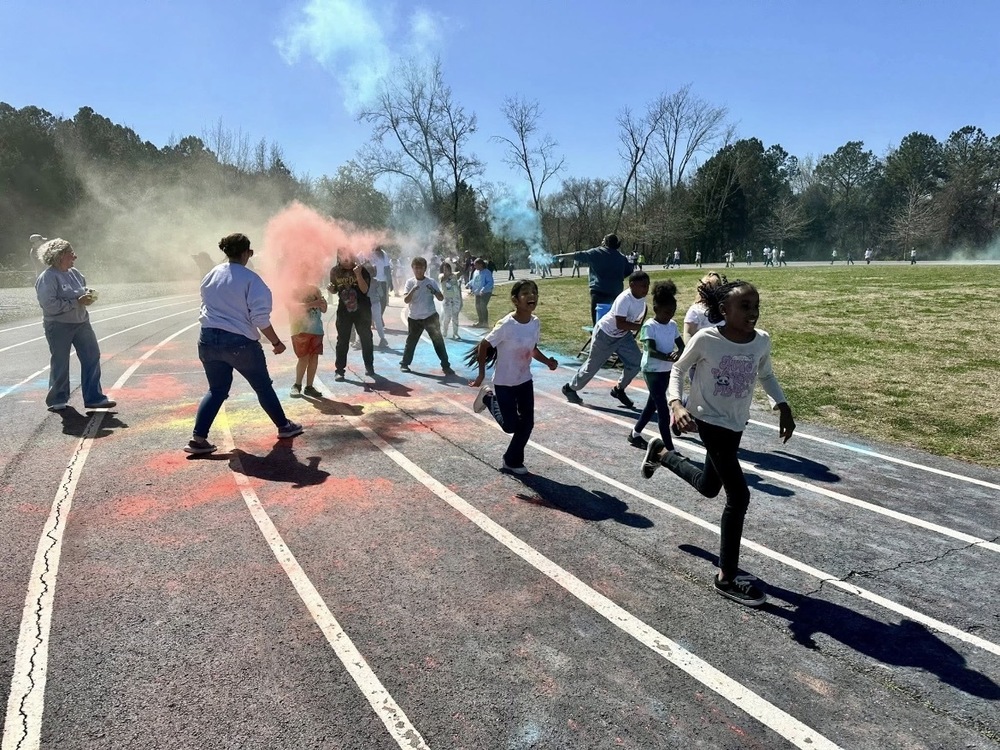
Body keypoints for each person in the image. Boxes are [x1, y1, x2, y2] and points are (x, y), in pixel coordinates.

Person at [641, 279, 795, 607]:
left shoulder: (760, 341)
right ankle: (725, 577)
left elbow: (765, 374)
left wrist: (782, 405)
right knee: (738, 496)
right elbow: (678, 370)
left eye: (756, 306)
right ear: (723, 310)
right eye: (744, 306)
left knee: (710, 486)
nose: (752, 313)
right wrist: (676, 404)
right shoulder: (707, 339)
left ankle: (662, 453)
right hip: (707, 422)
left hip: (735, 424)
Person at [185, 233, 302, 454]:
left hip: (208, 339)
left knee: (217, 389)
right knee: (262, 386)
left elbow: (205, 303)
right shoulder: (252, 279)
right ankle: (284, 426)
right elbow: (260, 319)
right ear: (246, 253)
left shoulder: (211, 274)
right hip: (240, 343)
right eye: (250, 252)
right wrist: (277, 342)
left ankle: (198, 439)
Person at [468, 280, 558, 475]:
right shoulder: (506, 325)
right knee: (510, 426)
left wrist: (548, 362)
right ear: (515, 300)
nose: (532, 296)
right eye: (526, 293)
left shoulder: (535, 322)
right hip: (504, 383)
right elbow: (484, 345)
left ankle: (512, 460)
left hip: (524, 380)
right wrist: (481, 374)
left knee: (527, 423)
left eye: (534, 292)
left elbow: (532, 349)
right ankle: (488, 397)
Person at [34, 238, 116, 413]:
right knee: (60, 361)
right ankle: (57, 399)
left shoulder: (75, 273)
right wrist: (76, 302)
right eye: (71, 253)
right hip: (58, 325)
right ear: (59, 256)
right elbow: (49, 305)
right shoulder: (47, 278)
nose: (75, 257)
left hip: (81, 323)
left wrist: (88, 297)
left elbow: (82, 291)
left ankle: (94, 398)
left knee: (92, 356)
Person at [561, 270, 649, 408]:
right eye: (643, 285)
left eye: (647, 285)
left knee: (636, 362)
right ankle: (570, 388)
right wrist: (641, 327)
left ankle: (618, 390)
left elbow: (633, 324)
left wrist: (638, 330)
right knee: (592, 366)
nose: (646, 289)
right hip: (605, 334)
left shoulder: (642, 301)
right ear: (632, 285)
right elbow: (621, 323)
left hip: (622, 336)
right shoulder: (624, 299)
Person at [628, 281, 684, 450]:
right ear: (656, 309)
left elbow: (681, 345)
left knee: (651, 405)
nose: (670, 315)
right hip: (651, 370)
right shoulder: (649, 326)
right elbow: (651, 350)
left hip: (666, 370)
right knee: (662, 408)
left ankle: (634, 434)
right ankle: (670, 449)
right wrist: (669, 357)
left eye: (673, 312)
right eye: (667, 312)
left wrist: (678, 353)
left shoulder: (672, 325)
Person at [554, 233, 633, 325]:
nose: (601, 241)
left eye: (603, 239)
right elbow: (629, 270)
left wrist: (560, 256)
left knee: (598, 321)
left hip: (599, 292)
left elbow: (578, 255)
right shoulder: (621, 258)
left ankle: (597, 335)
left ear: (606, 242)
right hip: (615, 292)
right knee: (612, 322)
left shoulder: (597, 252)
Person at [400, 256, 454, 375]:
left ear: (425, 268)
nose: (418, 270)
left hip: (430, 316)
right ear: (412, 268)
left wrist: (433, 291)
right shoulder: (410, 282)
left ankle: (446, 365)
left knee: (438, 341)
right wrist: (413, 290)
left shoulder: (431, 282)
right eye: (416, 268)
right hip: (414, 317)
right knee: (411, 342)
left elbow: (440, 298)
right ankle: (404, 363)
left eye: (421, 268)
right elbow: (406, 300)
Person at [328, 247, 375, 380]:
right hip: (344, 311)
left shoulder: (362, 270)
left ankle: (369, 366)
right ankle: (339, 370)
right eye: (343, 256)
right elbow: (334, 289)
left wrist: (358, 275)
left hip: (363, 311)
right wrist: (331, 290)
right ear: (338, 258)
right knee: (342, 340)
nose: (346, 259)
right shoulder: (335, 271)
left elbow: (365, 290)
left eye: (349, 256)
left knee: (366, 339)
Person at [289, 283, 327, 398]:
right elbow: (294, 307)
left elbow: (324, 309)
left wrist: (321, 300)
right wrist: (313, 303)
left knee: (314, 358)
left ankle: (309, 386)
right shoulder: (293, 290)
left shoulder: (315, 289)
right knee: (303, 358)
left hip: (316, 330)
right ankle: (297, 385)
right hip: (300, 330)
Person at [369, 245, 392, 348]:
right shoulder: (365, 252)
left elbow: (387, 268)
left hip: (380, 284)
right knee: (364, 321)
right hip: (367, 300)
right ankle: (361, 340)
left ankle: (382, 338)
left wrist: (390, 281)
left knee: (378, 316)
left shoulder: (384, 254)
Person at [466, 257, 494, 327]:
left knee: (482, 306)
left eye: (476, 265)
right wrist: (469, 284)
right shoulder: (476, 272)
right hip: (477, 292)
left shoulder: (487, 272)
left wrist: (483, 289)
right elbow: (474, 280)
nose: (474, 266)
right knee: (477, 307)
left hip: (486, 292)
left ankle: (485, 323)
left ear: (481, 264)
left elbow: (490, 282)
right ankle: (480, 322)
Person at [439, 261, 463, 340]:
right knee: (447, 317)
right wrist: (447, 275)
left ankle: (455, 333)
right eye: (444, 269)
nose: (446, 271)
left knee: (455, 316)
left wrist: (457, 263)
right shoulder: (441, 276)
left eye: (448, 269)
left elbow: (462, 271)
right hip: (447, 299)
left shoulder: (454, 275)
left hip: (455, 298)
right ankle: (445, 331)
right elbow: (443, 279)